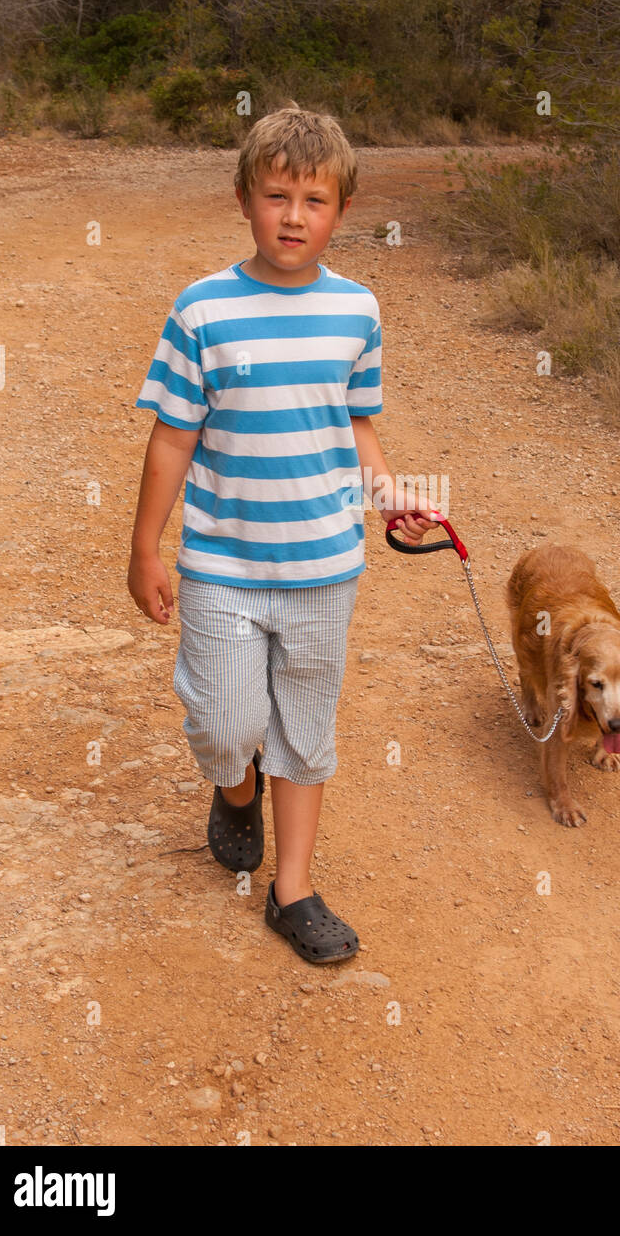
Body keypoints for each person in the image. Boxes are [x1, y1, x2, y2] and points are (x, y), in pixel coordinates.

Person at [127, 101, 442, 963]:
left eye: (313, 201)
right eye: (275, 197)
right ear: (242, 199)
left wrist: (390, 496)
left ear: (341, 210)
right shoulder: (202, 311)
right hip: (222, 563)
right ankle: (235, 793)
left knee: (305, 728)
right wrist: (145, 546)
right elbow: (171, 437)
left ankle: (292, 889)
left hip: (324, 567)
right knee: (224, 722)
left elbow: (358, 427)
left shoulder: (357, 311)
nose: (293, 217)